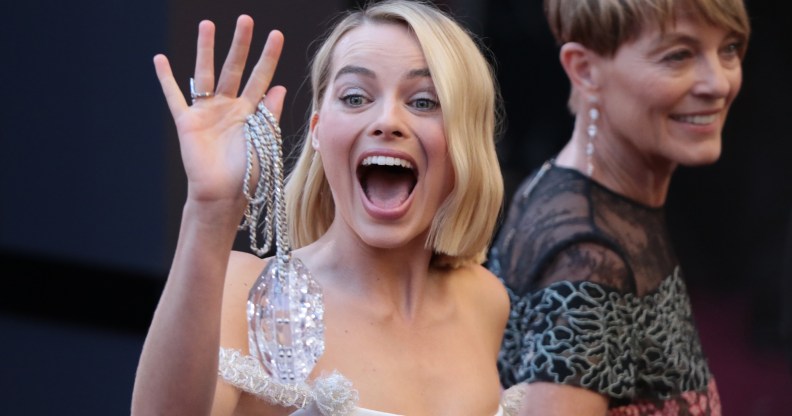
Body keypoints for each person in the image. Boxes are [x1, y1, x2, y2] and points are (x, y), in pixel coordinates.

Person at [131, 1, 517, 415]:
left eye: (423, 102)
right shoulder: (244, 294)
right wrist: (210, 210)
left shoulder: (484, 300)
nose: (387, 121)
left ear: (465, 140)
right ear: (317, 131)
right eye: (355, 97)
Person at [488, 0, 750, 414]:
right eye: (679, 55)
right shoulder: (589, 259)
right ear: (584, 69)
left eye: (730, 49)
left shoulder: (579, 193)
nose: (718, 82)